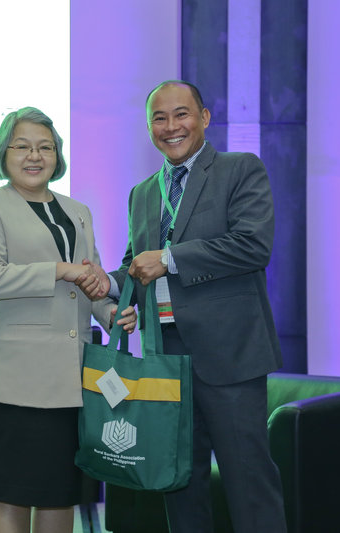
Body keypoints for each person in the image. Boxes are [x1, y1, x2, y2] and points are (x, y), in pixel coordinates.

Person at [76, 80, 287, 533]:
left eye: (182, 114)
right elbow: (137, 264)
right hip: (165, 357)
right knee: (179, 484)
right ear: (149, 128)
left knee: (248, 482)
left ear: (204, 118)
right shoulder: (142, 193)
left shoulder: (239, 169)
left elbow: (253, 245)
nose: (171, 126)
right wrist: (106, 284)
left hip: (230, 356)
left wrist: (170, 258)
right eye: (159, 118)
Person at [0, 106, 136, 533]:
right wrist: (59, 270)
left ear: (57, 156)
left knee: (60, 491)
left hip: (71, 377)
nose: (34, 156)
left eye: (45, 147)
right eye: (22, 146)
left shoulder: (78, 211)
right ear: (3, 153)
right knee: (12, 492)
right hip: (14, 378)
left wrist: (111, 312)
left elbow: (91, 282)